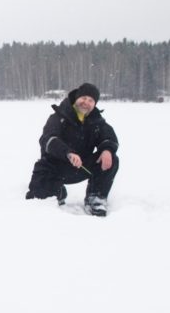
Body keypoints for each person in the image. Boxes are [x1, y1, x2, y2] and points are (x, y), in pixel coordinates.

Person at [24, 82, 119, 217]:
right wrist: (68, 152)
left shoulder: (97, 122)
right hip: (54, 166)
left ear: (94, 104)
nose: (86, 102)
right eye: (84, 98)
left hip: (81, 166)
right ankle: (57, 190)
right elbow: (48, 140)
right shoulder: (58, 117)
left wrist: (107, 150)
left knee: (112, 158)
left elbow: (108, 137)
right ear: (76, 98)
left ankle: (95, 197)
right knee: (37, 199)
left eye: (91, 100)